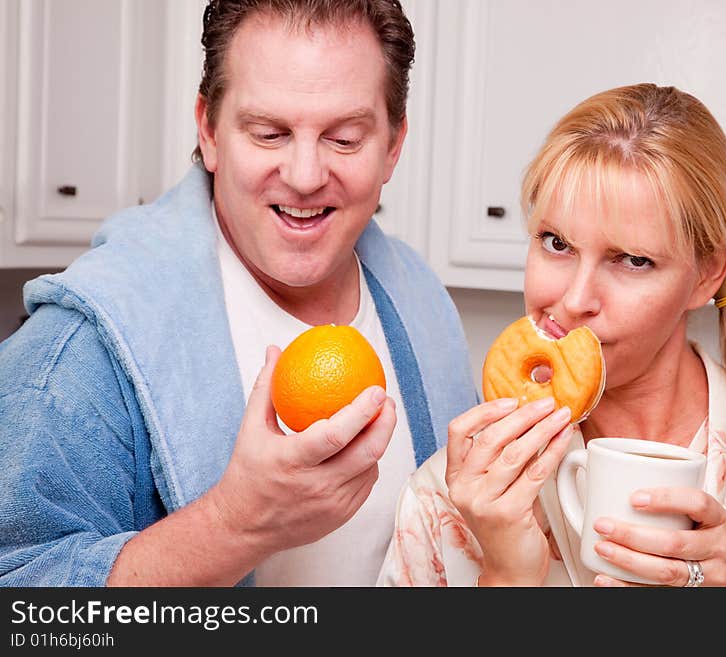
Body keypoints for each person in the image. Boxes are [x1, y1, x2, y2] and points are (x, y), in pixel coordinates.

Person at [0, 0, 475, 586]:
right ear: (210, 130)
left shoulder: (424, 305)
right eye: (270, 133)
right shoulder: (82, 346)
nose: (304, 175)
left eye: (345, 138)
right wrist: (237, 524)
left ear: (393, 146)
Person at [377, 83, 726, 587]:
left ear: (706, 276)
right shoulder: (447, 501)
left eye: (633, 260)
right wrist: (507, 577)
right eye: (556, 243)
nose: (575, 299)